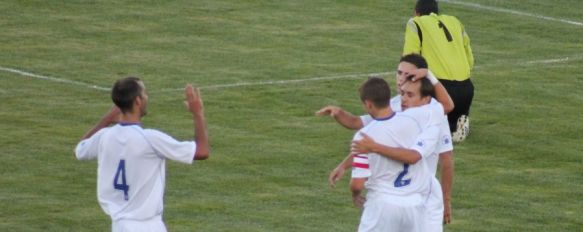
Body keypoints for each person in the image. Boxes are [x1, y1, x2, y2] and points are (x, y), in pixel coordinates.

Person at [318, 54, 455, 227]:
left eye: (409, 75)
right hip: (413, 202)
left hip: (404, 199)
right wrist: (345, 164)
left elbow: (421, 157)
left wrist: (374, 149)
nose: (401, 80)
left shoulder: (423, 116)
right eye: (399, 73)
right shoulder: (419, 113)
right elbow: (358, 127)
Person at [74, 77, 210, 232]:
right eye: (144, 93)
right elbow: (202, 151)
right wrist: (198, 113)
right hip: (148, 226)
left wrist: (107, 119)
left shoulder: (104, 136)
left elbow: (80, 149)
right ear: (137, 101)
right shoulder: (150, 139)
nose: (147, 97)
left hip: (119, 226)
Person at [349, 77, 434, 231]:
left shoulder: (364, 137)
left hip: (383, 206)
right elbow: (415, 155)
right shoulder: (413, 123)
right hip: (415, 206)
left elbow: (357, 183)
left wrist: (355, 194)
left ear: (368, 104)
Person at [403, 0, 475, 142]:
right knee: (449, 119)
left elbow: (410, 60)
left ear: (417, 13)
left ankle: (448, 124)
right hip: (467, 89)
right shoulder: (455, 22)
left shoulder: (416, 23)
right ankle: (458, 119)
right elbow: (470, 57)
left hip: (440, 90)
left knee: (420, 123)